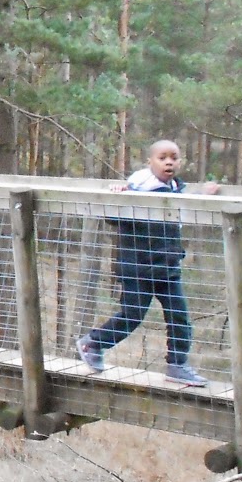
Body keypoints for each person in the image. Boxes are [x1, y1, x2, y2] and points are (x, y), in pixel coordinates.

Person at [75, 139, 220, 387]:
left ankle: (177, 364)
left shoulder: (176, 188)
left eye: (173, 157)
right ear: (150, 162)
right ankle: (93, 343)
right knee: (132, 315)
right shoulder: (137, 186)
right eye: (162, 158)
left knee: (179, 316)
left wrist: (203, 194)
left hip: (167, 266)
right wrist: (118, 196)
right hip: (138, 267)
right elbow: (112, 217)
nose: (169, 162)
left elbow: (186, 205)